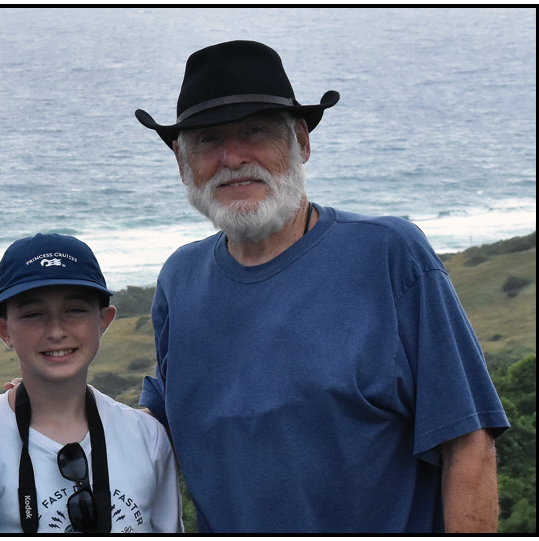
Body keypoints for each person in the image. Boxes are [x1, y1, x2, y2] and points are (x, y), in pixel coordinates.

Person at [133, 40, 509, 533]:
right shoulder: (178, 279)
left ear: (301, 142)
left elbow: (468, 443)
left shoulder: (389, 255)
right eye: (207, 140)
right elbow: (159, 433)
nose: (232, 157)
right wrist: (49, 406)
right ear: (182, 162)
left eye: (255, 131)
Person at [0, 233, 182, 533]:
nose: (56, 331)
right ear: (3, 330)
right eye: (33, 314)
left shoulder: (147, 437)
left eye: (75, 310)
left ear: (104, 320)